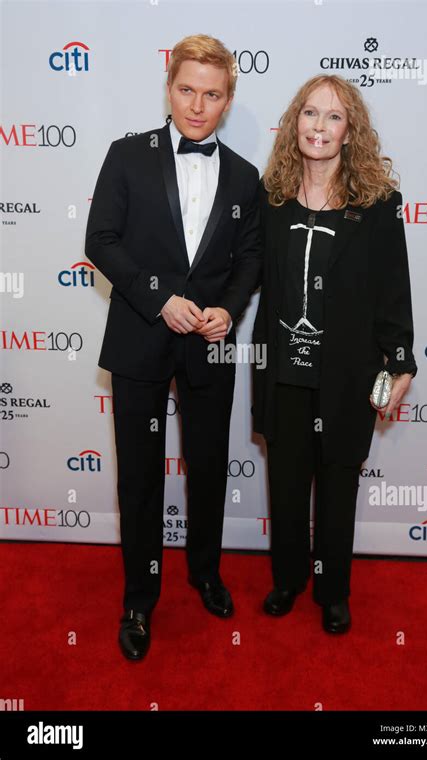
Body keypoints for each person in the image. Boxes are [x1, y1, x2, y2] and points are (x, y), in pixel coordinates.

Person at [85, 34, 261, 660]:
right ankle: (139, 597)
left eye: (212, 94)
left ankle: (206, 573)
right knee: (138, 476)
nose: (197, 105)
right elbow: (100, 239)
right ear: (169, 86)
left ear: (228, 99)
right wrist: (158, 298)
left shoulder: (245, 175)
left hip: (210, 344)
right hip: (139, 333)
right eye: (187, 89)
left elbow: (250, 259)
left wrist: (228, 309)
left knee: (209, 466)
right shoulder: (127, 155)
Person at [251, 74, 417, 633]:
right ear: (295, 122)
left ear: (350, 133)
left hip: (347, 373)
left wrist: (401, 360)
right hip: (285, 370)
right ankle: (288, 579)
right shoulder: (270, 200)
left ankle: (334, 590)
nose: (319, 126)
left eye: (333, 117)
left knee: (339, 482)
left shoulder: (378, 205)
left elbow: (394, 289)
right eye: (310, 113)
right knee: (289, 482)